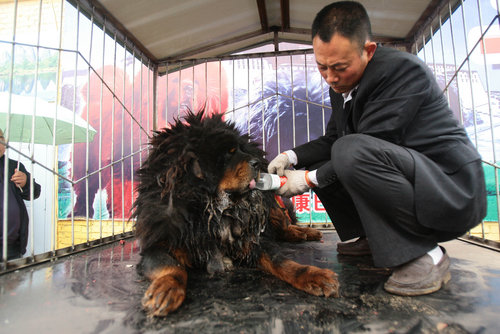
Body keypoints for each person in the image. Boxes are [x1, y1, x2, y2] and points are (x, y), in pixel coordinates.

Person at [268, 1, 487, 296]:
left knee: (348, 152)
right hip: (411, 177)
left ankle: (424, 255)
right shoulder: (344, 86)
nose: (330, 77)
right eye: (322, 67)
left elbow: (373, 141)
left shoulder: (401, 72)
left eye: (339, 68)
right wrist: (289, 156)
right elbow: (333, 139)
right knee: (334, 154)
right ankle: (368, 236)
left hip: (449, 188)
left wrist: (305, 179)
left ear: (368, 51)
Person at [0, 129, 41, 260]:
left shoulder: (15, 166)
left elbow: (35, 192)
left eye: (0, 138)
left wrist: (26, 182)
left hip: (11, 246)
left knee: (12, 279)